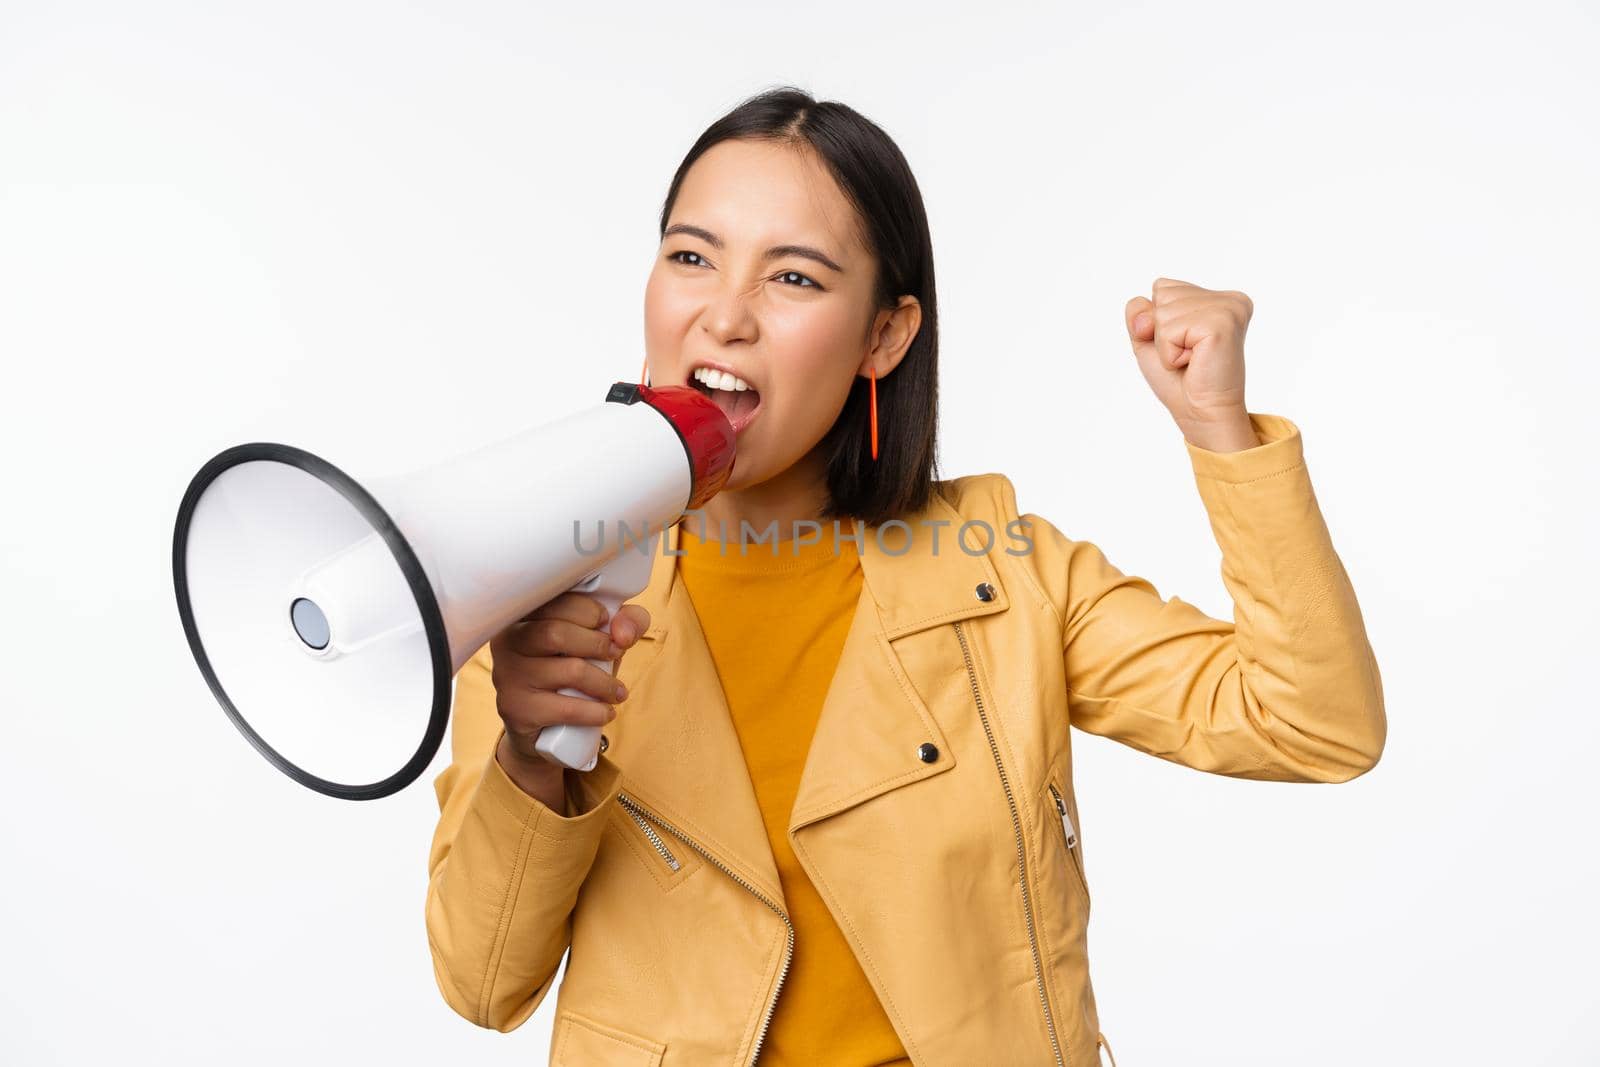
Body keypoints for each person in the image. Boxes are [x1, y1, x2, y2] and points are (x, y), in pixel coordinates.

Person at [423, 86, 1386, 1067]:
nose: (723, 315)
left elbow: (1313, 722)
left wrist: (1219, 429)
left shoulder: (1004, 571)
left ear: (883, 336)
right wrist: (532, 759)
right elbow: (481, 979)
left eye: (791, 278)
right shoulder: (538, 594)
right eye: (690, 255)